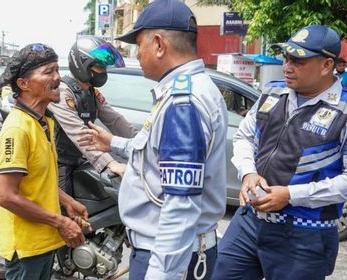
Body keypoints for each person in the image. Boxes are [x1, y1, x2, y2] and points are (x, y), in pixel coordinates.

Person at [77, 1, 228, 279]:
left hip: (169, 256)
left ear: (159, 44)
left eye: (139, 45)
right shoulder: (185, 90)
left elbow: (180, 205)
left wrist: (160, 273)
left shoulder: (183, 103)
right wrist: (113, 143)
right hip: (176, 252)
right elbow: (154, 151)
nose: (138, 53)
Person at [212, 25, 347, 280]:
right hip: (249, 222)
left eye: (298, 61)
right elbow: (244, 136)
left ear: (327, 65)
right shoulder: (273, 92)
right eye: (286, 58)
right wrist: (248, 173)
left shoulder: (343, 110)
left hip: (305, 235)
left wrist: (290, 196)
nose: (287, 66)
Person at [0, 43, 88, 280]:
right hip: (26, 248)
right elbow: (7, 196)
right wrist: (60, 222)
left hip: (44, 241)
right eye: (48, 72)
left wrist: (66, 201)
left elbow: (38, 179)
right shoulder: (17, 128)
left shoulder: (45, 121)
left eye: (57, 70)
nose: (57, 78)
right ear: (23, 84)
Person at [48, 35, 137, 195]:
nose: (103, 72)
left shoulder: (91, 92)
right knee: (65, 213)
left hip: (81, 158)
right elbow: (78, 133)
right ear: (82, 66)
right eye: (100, 67)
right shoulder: (64, 93)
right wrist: (110, 163)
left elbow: (115, 120)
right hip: (60, 162)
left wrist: (142, 143)